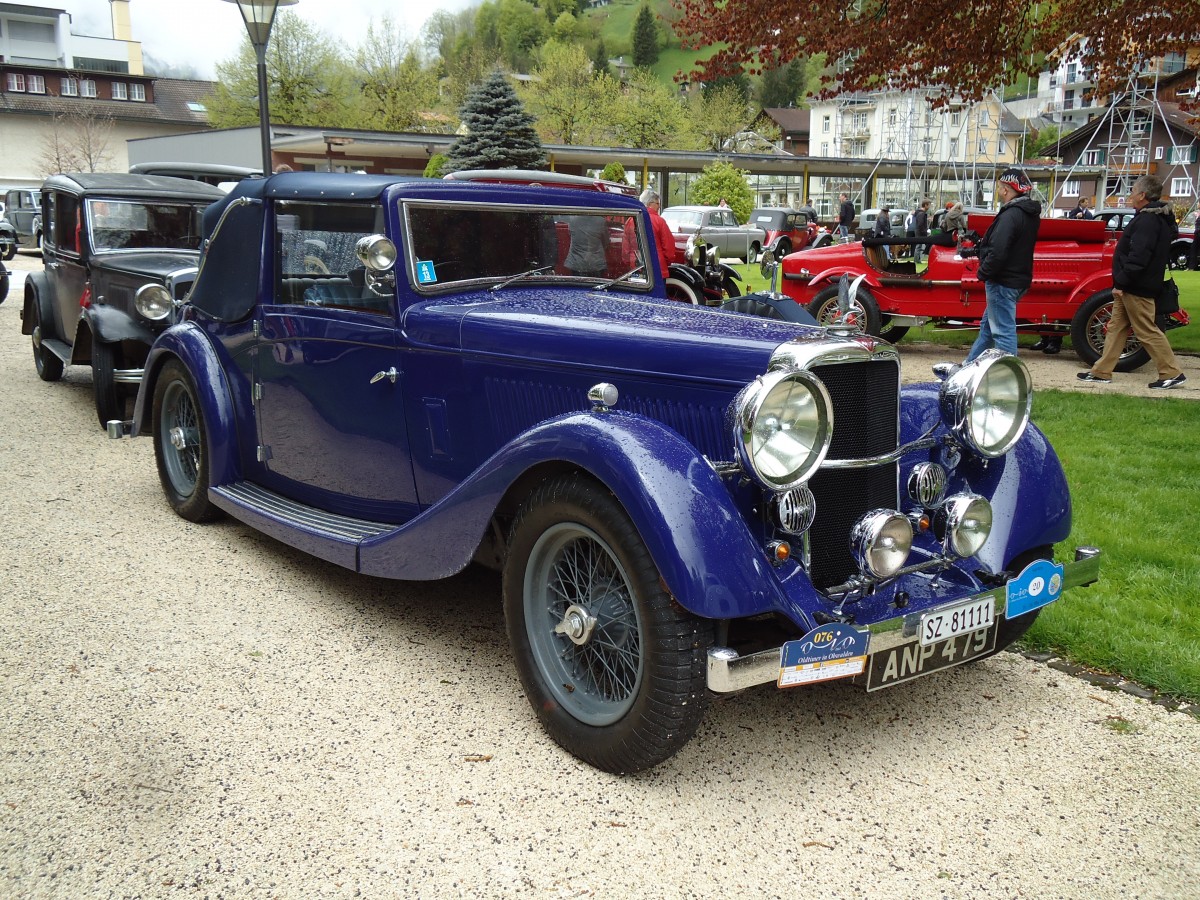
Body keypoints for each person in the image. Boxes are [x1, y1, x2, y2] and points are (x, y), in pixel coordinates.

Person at [1077, 175, 1186, 389]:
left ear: (1142, 195)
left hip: (1136, 287)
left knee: (1146, 330)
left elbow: (1139, 257)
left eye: (1133, 190)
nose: (1130, 195)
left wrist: (1123, 282)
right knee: (1116, 327)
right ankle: (1101, 371)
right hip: (1133, 286)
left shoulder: (1147, 220)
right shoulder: (1153, 218)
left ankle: (1172, 372)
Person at [962, 168, 1041, 363]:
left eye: (999, 187)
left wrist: (983, 272)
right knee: (988, 329)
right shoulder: (1029, 214)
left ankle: (1009, 378)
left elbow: (999, 250)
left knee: (1002, 332)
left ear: (1006, 189)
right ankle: (969, 366)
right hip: (1017, 278)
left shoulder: (1010, 215)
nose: (998, 191)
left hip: (1002, 281)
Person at [625, 188, 675, 279]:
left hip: (635, 267)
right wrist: (666, 262)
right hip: (657, 267)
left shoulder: (630, 221)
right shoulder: (659, 221)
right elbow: (669, 248)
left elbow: (625, 249)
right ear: (649, 204)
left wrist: (629, 262)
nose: (659, 206)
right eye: (657, 203)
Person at [913, 200, 931, 265]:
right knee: (919, 246)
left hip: (919, 231)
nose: (929, 207)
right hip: (920, 232)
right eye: (929, 205)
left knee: (919, 246)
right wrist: (924, 232)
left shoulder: (919, 213)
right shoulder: (921, 213)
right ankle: (916, 260)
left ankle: (917, 259)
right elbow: (920, 224)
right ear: (925, 205)